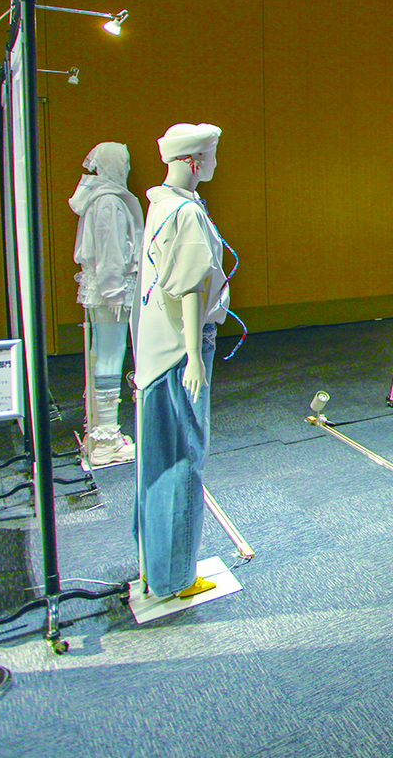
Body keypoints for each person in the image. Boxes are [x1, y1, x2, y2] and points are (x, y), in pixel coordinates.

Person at [134, 123, 230, 600]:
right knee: (183, 455)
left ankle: (155, 565)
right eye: (210, 155)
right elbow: (189, 287)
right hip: (179, 350)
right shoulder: (186, 212)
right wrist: (193, 355)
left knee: (158, 456)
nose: (214, 163)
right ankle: (175, 575)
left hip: (158, 345)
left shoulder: (161, 204)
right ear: (194, 161)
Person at [68, 141, 143, 468]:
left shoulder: (99, 198)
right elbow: (111, 252)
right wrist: (115, 291)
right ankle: (106, 438)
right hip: (111, 290)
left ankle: (100, 429)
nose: (126, 168)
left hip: (103, 288)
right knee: (110, 356)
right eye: (123, 162)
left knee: (101, 354)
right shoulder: (109, 201)